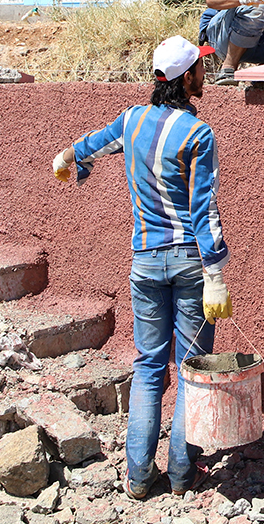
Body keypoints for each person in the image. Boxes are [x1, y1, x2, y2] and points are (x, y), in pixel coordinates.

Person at [50, 35, 234, 499]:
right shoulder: (198, 134)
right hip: (190, 265)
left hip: (145, 264)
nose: (204, 74)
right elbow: (203, 208)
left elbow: (93, 144)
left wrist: (67, 156)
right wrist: (215, 273)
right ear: (185, 78)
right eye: (200, 68)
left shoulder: (132, 119)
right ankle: (179, 473)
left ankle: (137, 476)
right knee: (190, 367)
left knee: (149, 366)